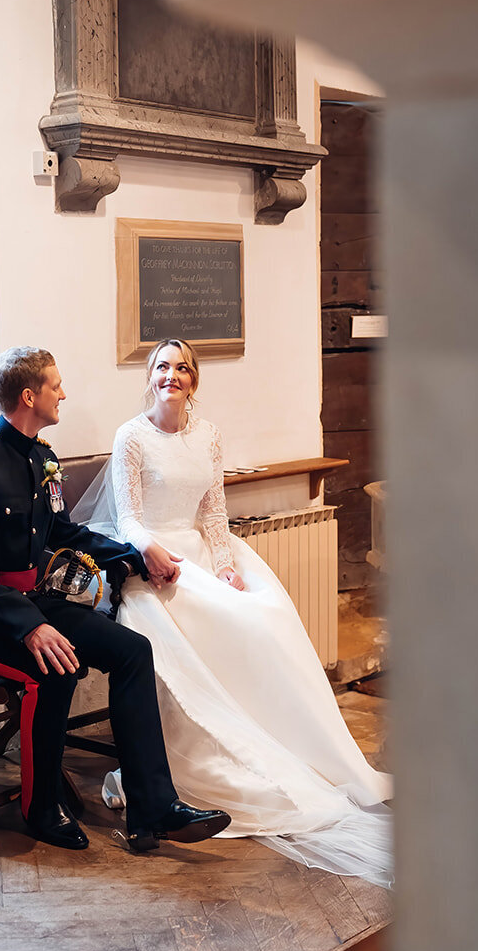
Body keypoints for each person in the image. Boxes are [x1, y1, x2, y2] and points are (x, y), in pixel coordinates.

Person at [82, 337, 393, 888]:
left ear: (193, 380)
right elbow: (127, 516)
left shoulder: (208, 433)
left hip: (204, 554)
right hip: (151, 558)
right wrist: (151, 552)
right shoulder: (131, 437)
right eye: (161, 367)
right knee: (193, 630)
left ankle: (289, 741)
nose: (170, 376)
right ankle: (185, 767)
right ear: (149, 377)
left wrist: (226, 566)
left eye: (181, 368)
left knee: (264, 615)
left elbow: (215, 511)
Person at [0, 345, 232, 853]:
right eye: (55, 385)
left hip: (26, 602)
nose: (63, 393)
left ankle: (153, 809)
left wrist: (133, 554)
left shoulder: (42, 457)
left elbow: (64, 531)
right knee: (54, 666)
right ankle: (40, 807)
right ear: (29, 395)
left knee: (132, 651)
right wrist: (29, 625)